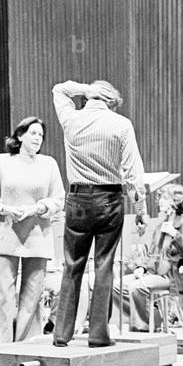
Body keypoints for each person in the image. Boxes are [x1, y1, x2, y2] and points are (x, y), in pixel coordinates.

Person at [51, 79, 145, 348]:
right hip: (109, 198)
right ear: (112, 102)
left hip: (78, 198)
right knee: (104, 266)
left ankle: (61, 334)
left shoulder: (71, 119)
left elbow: (59, 89)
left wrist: (85, 89)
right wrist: (140, 210)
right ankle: (98, 335)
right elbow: (132, 174)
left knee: (72, 265)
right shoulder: (121, 124)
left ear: (89, 97)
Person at [0, 116, 64, 344]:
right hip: (6, 235)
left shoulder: (49, 164)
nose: (38, 138)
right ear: (19, 135)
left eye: (41, 135)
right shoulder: (2, 162)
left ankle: (27, 346)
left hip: (38, 238)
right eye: (33, 133)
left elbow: (58, 199)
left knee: (32, 298)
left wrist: (38, 207)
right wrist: (3, 207)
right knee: (2, 296)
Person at [124, 184, 183, 331]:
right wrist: (141, 267)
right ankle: (152, 319)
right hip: (153, 272)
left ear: (175, 201)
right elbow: (152, 253)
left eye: (164, 198)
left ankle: (144, 327)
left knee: (136, 286)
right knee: (117, 285)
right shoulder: (160, 225)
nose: (160, 202)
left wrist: (175, 235)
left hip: (171, 276)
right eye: (160, 198)